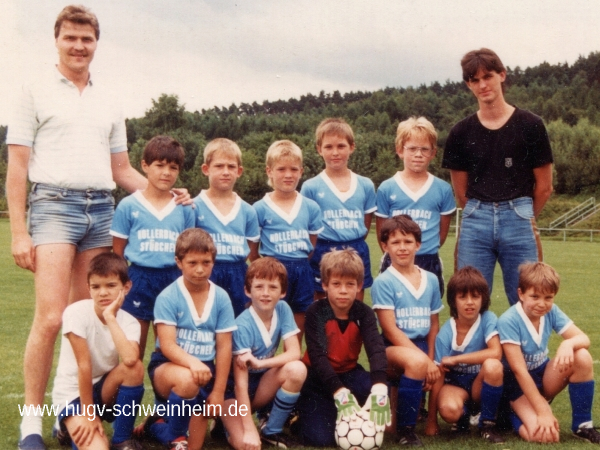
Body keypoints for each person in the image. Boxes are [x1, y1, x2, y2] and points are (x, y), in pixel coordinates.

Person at [6, 6, 188, 448]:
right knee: (51, 318)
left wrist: (167, 192)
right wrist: (19, 231)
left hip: (102, 209)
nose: (78, 46)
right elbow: (17, 165)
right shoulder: (32, 90)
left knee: (88, 317)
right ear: (57, 40)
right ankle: (31, 422)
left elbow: (121, 169)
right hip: (53, 205)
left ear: (96, 44)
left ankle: (71, 413)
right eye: (70, 38)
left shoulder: (108, 98)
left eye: (86, 39)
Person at [442, 48, 554, 306]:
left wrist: (523, 216)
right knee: (469, 302)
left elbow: (544, 187)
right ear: (468, 85)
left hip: (519, 218)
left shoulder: (531, 125)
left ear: (502, 75)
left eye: (488, 77)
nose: (482, 85)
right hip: (475, 221)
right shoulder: (460, 132)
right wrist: (482, 213)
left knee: (529, 303)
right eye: (475, 80)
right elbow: (461, 194)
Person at [138, 229, 236, 450]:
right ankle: (173, 433)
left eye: (206, 262)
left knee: (193, 447)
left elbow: (224, 346)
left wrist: (218, 391)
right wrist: (193, 363)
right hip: (169, 368)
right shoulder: (168, 296)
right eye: (192, 263)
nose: (200, 269)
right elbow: (167, 345)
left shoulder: (221, 297)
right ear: (179, 262)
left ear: (213, 261)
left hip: (205, 371)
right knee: (188, 380)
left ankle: (156, 425)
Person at [110, 136, 195, 358]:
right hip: (138, 278)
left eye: (173, 167)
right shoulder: (128, 205)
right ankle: (131, 383)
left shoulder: (184, 208)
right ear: (145, 165)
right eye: (160, 165)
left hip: (172, 279)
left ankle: (163, 382)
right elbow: (118, 253)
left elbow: (188, 252)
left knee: (169, 350)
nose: (166, 172)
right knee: (132, 352)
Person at [498, 262, 600, 444]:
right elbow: (519, 371)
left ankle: (582, 425)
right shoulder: (509, 320)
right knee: (546, 436)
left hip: (542, 376)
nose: (541, 303)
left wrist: (568, 343)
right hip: (516, 386)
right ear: (521, 294)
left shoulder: (551, 311)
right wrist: (543, 410)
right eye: (534, 296)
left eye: (548, 297)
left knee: (582, 356)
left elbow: (583, 338)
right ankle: (509, 414)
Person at [296, 249, 390, 447]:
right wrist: (338, 391)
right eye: (336, 284)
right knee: (320, 439)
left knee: (376, 387)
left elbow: (375, 348)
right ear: (324, 285)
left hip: (349, 373)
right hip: (317, 378)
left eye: (350, 284)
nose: (343, 290)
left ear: (359, 285)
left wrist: (380, 387)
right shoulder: (316, 311)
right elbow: (317, 356)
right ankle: (299, 415)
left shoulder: (364, 313)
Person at [51, 253, 144, 450]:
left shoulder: (129, 322)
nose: (103, 293)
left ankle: (122, 440)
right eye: (96, 287)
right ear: (89, 288)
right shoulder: (75, 312)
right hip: (74, 394)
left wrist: (110, 317)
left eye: (111, 285)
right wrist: (89, 414)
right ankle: (67, 425)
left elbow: (130, 359)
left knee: (135, 368)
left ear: (126, 287)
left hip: (103, 390)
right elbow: (84, 365)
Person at [371, 215, 443, 446]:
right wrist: (425, 361)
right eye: (395, 242)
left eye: (408, 241)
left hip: (421, 346)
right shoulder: (383, 282)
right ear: (385, 246)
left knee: (437, 363)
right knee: (417, 362)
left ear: (418, 244)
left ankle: (427, 419)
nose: (402, 247)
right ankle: (406, 430)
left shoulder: (431, 279)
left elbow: (433, 323)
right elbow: (389, 329)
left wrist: (431, 358)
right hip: (393, 347)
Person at [222, 257, 306, 449]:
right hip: (234, 392)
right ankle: (226, 423)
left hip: (261, 384)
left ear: (283, 292)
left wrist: (260, 363)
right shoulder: (242, 325)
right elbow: (240, 385)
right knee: (246, 445)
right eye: (259, 287)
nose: (266, 293)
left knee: (297, 369)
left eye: (273, 287)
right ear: (247, 290)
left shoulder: (283, 309)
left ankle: (271, 430)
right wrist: (249, 428)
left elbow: (294, 352)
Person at [376, 117, 455, 296]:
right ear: (400, 150)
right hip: (395, 260)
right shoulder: (387, 188)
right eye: (412, 149)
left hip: (428, 260)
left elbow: (441, 235)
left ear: (433, 153)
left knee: (427, 308)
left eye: (424, 149)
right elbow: (382, 234)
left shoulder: (442, 189)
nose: (418, 154)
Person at [251, 140, 323, 337]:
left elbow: (311, 245)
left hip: (302, 269)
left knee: (299, 316)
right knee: (268, 321)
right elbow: (253, 251)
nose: (288, 175)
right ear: (269, 171)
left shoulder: (311, 207)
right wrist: (267, 268)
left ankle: (293, 353)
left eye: (293, 169)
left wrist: (298, 263)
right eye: (281, 169)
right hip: (272, 270)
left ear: (301, 171)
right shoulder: (259, 208)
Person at [425, 266, 504, 444]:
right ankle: (462, 418)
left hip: (480, 383)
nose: (470, 302)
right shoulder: (445, 334)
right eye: (463, 297)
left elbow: (496, 352)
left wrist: (456, 359)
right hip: (456, 385)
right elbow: (439, 376)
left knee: (493, 365)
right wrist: (432, 421)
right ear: (454, 300)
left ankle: (487, 425)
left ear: (483, 298)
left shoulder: (488, 319)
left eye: (475, 296)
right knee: (449, 410)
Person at [300, 118, 377, 301]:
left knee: (354, 303)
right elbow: (306, 227)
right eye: (328, 147)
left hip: (356, 248)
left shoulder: (365, 184)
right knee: (322, 306)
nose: (335, 152)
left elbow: (365, 224)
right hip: (323, 249)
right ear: (319, 149)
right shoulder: (311, 187)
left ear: (352, 147)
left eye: (341, 146)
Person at [193, 138, 260, 316]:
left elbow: (251, 249)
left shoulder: (247, 210)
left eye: (231, 167)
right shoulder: (193, 206)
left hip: (238, 274)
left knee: (238, 322)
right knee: (205, 321)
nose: (225, 172)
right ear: (206, 169)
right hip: (207, 271)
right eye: (219, 166)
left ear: (239, 171)